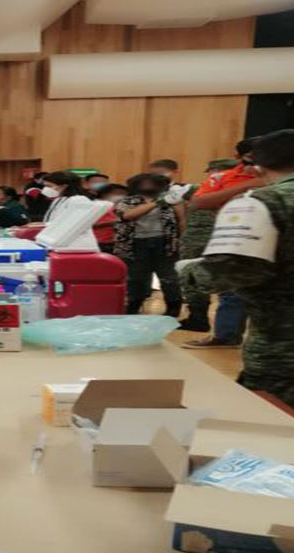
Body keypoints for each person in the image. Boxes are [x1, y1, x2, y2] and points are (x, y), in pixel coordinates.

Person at [179, 129, 294, 407]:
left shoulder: (261, 202)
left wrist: (188, 270)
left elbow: (229, 272)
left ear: (257, 165)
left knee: (274, 419)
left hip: (283, 347)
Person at [178, 144, 262, 337]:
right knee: (231, 289)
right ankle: (225, 334)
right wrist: (248, 185)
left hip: (262, 239)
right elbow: (198, 202)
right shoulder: (220, 179)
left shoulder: (281, 179)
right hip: (231, 238)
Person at [115, 173, 186, 316]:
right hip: (135, 244)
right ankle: (133, 308)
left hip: (165, 243)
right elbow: (127, 215)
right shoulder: (127, 201)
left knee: (169, 278)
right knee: (136, 278)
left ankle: (173, 308)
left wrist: (182, 239)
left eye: (152, 182)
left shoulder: (172, 200)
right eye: (144, 183)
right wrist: (158, 202)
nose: (148, 186)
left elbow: (181, 219)